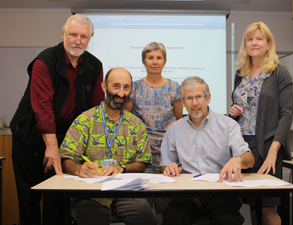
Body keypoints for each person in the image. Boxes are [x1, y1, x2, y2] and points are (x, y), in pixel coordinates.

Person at [10, 14, 105, 225]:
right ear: (63, 35)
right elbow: (43, 109)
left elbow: (95, 111)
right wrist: (52, 148)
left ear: (89, 39)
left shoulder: (95, 66)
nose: (78, 40)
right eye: (73, 34)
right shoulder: (44, 61)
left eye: (84, 36)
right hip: (30, 138)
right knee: (29, 200)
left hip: (65, 138)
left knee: (59, 199)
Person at [60, 67, 157, 225]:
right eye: (116, 86)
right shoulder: (85, 120)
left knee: (145, 215)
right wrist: (79, 169)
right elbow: (66, 158)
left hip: (124, 191)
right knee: (92, 216)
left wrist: (122, 168)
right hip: (90, 193)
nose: (121, 93)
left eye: (126, 87)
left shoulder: (136, 124)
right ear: (104, 87)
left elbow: (142, 162)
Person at [160, 76, 255, 225]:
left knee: (228, 220)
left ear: (208, 98)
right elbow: (165, 164)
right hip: (187, 193)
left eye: (199, 97)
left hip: (221, 192)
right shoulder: (174, 129)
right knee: (173, 218)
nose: (195, 103)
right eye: (189, 99)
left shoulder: (228, 125)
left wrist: (238, 159)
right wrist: (168, 168)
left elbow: (249, 159)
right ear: (183, 103)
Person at [229, 22, 293, 225]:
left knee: (267, 208)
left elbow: (287, 114)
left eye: (259, 39)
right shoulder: (241, 73)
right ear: (245, 44)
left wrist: (275, 150)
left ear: (268, 44)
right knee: (253, 207)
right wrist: (232, 112)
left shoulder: (279, 73)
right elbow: (242, 108)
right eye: (250, 39)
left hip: (268, 148)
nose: (254, 43)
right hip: (243, 148)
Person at [125, 42, 183, 174]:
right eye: (150, 58)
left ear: (164, 61)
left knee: (166, 190)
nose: (155, 62)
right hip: (141, 152)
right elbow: (126, 119)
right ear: (144, 62)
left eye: (159, 58)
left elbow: (179, 121)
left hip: (168, 152)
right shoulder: (135, 87)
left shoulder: (174, 88)